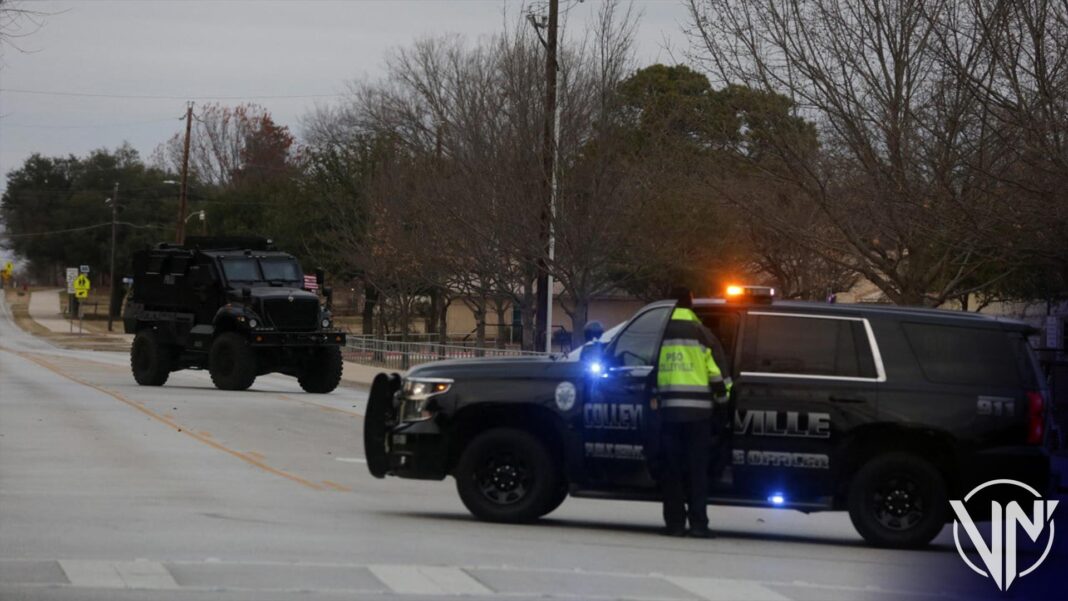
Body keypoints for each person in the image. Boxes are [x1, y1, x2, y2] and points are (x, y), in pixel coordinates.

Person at [656, 286, 731, 538]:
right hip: (699, 416)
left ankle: (674, 524)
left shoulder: (659, 331)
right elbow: (716, 373)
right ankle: (698, 524)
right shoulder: (702, 333)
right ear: (690, 301)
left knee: (672, 471)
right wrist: (723, 400)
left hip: (667, 415)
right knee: (697, 472)